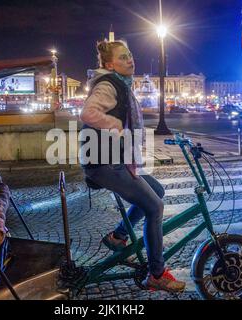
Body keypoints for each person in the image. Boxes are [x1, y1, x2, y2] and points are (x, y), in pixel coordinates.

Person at [79, 40, 185, 293]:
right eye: (123, 57)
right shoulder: (108, 84)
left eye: (130, 55)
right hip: (103, 163)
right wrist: (114, 125)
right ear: (109, 64)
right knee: (155, 207)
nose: (130, 59)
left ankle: (118, 236)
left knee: (156, 191)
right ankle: (157, 274)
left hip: (113, 159)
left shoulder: (121, 84)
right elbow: (88, 113)